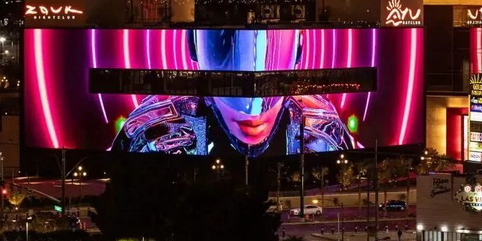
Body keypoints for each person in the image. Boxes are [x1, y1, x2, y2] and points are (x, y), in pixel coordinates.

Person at [110, 29, 355, 156]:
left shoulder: (323, 130)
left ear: (298, 49)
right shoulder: (153, 130)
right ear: (194, 46)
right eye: (223, 51)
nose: (252, 107)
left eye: (275, 54)